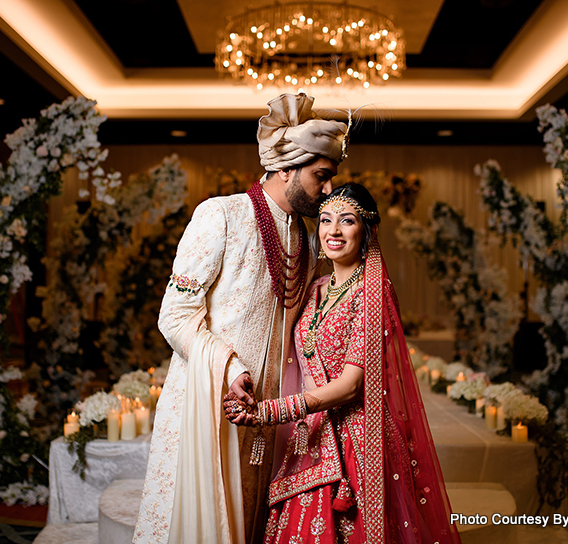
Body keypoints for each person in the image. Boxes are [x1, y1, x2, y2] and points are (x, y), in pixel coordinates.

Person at [134, 93, 347, 544]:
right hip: (211, 399)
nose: (328, 190)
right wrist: (229, 369)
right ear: (286, 168)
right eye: (321, 177)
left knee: (251, 522)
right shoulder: (221, 215)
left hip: (269, 411)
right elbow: (174, 315)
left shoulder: (307, 237)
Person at [225, 183, 462, 544]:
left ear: (369, 230)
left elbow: (351, 384)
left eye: (346, 221)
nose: (333, 231)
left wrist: (268, 412)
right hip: (309, 437)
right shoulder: (315, 287)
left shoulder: (372, 293)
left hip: (357, 442)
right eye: (325, 220)